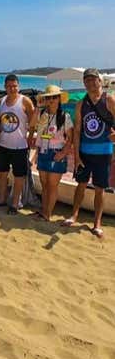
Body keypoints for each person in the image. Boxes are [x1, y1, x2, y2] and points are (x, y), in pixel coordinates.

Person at [64, 68, 115, 238]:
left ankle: (97, 223)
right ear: (84, 83)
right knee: (81, 185)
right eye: (87, 80)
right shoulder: (81, 104)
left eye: (93, 79)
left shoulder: (109, 100)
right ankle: (74, 215)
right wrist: (77, 155)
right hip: (85, 152)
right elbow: (78, 131)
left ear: (100, 81)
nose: (91, 82)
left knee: (100, 189)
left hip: (104, 152)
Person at [0, 74, 34, 215]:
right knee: (2, 173)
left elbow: (33, 122)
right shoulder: (1, 101)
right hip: (3, 144)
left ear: (18, 86)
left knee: (18, 176)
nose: (12, 89)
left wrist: (30, 138)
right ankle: (1, 199)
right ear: (5, 87)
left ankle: (15, 203)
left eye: (14, 86)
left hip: (20, 146)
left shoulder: (25, 101)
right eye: (9, 86)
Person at [31, 85, 73, 221]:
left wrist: (63, 153)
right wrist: (38, 107)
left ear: (59, 99)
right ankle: (44, 211)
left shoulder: (64, 116)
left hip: (57, 153)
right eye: (49, 97)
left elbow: (70, 138)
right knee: (44, 185)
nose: (51, 100)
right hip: (43, 152)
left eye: (54, 97)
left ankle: (47, 214)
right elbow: (32, 124)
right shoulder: (42, 114)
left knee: (52, 185)